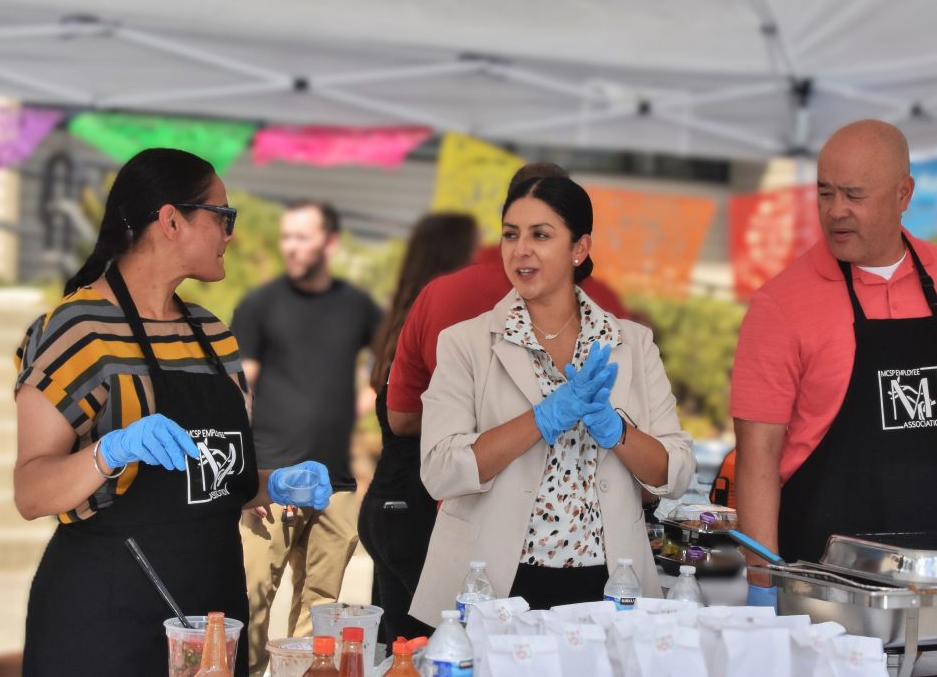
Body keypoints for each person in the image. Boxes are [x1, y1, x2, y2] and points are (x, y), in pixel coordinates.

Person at [13, 148, 331, 675]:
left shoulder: (213, 335)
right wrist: (109, 451)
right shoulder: (77, 331)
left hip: (210, 617)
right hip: (105, 621)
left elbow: (213, 479)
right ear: (171, 220)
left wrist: (271, 484)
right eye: (222, 217)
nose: (231, 233)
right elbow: (30, 492)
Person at [731, 120, 937, 606]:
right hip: (827, 584)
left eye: (854, 195)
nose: (836, 211)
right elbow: (757, 455)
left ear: (904, 193)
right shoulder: (780, 305)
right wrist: (763, 584)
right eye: (825, 193)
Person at [408, 176, 696, 625]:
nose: (520, 249)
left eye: (540, 235)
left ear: (579, 248)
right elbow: (440, 471)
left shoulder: (631, 343)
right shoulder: (465, 342)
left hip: (608, 585)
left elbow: (675, 472)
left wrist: (617, 431)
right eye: (510, 234)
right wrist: (541, 419)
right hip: (494, 584)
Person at [232, 201, 382, 675]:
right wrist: (246, 477)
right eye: (286, 237)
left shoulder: (357, 306)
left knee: (322, 611)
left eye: (302, 236)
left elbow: (388, 369)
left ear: (330, 243)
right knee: (251, 603)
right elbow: (240, 393)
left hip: (335, 485)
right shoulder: (259, 305)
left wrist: (350, 410)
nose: (291, 247)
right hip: (268, 482)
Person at [386, 163, 630, 438]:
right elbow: (630, 417)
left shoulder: (439, 293)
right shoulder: (607, 306)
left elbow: (402, 418)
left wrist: (470, 423)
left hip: (459, 472)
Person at [358, 212, 478, 642]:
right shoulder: (440, 322)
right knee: (439, 647)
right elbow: (405, 418)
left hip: (388, 505)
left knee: (400, 651)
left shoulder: (400, 321)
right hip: (413, 509)